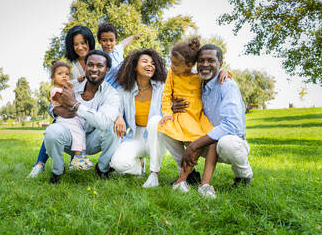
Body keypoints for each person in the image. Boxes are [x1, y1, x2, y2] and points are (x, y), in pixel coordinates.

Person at [176, 44, 253, 198]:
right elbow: (178, 74)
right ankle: (186, 177)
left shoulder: (227, 85)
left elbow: (232, 125)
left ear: (220, 64)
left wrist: (195, 145)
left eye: (211, 61)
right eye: (201, 60)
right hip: (207, 140)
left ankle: (243, 174)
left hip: (230, 143)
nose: (205, 64)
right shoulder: (198, 83)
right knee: (168, 131)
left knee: (225, 142)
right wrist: (172, 106)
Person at [158, 38, 226, 197]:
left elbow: (215, 76)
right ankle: (183, 178)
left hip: (197, 116)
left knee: (210, 141)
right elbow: (166, 95)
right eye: (171, 62)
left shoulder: (199, 75)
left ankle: (203, 182)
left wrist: (225, 72)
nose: (172, 66)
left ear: (189, 65)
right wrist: (167, 114)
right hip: (182, 116)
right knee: (164, 130)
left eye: (176, 64)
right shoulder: (172, 75)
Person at [27, 25, 96, 178]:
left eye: (83, 42)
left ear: (90, 41)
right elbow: (56, 91)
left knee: (79, 129)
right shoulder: (69, 66)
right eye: (75, 44)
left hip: (88, 110)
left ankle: (79, 161)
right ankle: (40, 163)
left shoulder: (98, 61)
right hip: (68, 107)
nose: (80, 47)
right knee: (55, 127)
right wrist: (56, 110)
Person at [45, 50, 120, 184]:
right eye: (90, 65)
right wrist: (56, 111)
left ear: (107, 69)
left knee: (113, 126)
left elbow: (103, 122)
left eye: (99, 66)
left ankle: (102, 168)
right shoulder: (71, 85)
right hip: (71, 137)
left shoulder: (111, 94)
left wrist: (75, 105)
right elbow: (52, 103)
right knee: (51, 132)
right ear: (85, 67)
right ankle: (58, 171)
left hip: (93, 140)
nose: (94, 69)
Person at [110, 49, 167, 188]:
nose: (150, 65)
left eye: (153, 63)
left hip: (158, 136)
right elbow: (115, 108)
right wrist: (118, 117)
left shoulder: (162, 87)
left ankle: (154, 174)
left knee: (155, 121)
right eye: (145, 61)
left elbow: (183, 73)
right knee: (118, 163)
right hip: (136, 135)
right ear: (134, 66)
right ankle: (139, 167)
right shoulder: (124, 90)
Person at [48, 61, 93, 170]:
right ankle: (77, 158)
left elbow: (71, 85)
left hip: (72, 118)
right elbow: (63, 101)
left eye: (67, 74)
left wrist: (77, 81)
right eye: (60, 74)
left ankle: (82, 156)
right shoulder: (54, 90)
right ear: (53, 77)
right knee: (77, 133)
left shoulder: (65, 87)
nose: (64, 76)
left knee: (81, 132)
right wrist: (71, 99)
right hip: (64, 119)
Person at [97, 22, 141, 89]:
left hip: (121, 91)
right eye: (104, 40)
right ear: (99, 41)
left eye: (111, 40)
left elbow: (125, 42)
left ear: (116, 40)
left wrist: (133, 36)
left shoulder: (118, 50)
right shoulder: (98, 56)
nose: (108, 43)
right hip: (106, 92)